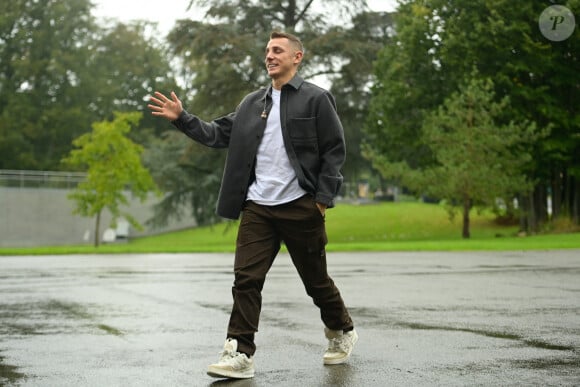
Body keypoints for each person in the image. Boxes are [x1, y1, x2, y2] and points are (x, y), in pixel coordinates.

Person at [148, 31, 357, 380]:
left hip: (300, 205)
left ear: (297, 57)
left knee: (315, 281)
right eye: (267, 51)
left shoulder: (317, 99)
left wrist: (322, 199)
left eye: (278, 50)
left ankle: (342, 330)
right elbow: (216, 134)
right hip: (258, 206)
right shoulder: (251, 104)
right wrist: (182, 117)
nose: (270, 56)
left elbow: (334, 149)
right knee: (246, 279)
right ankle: (240, 351)